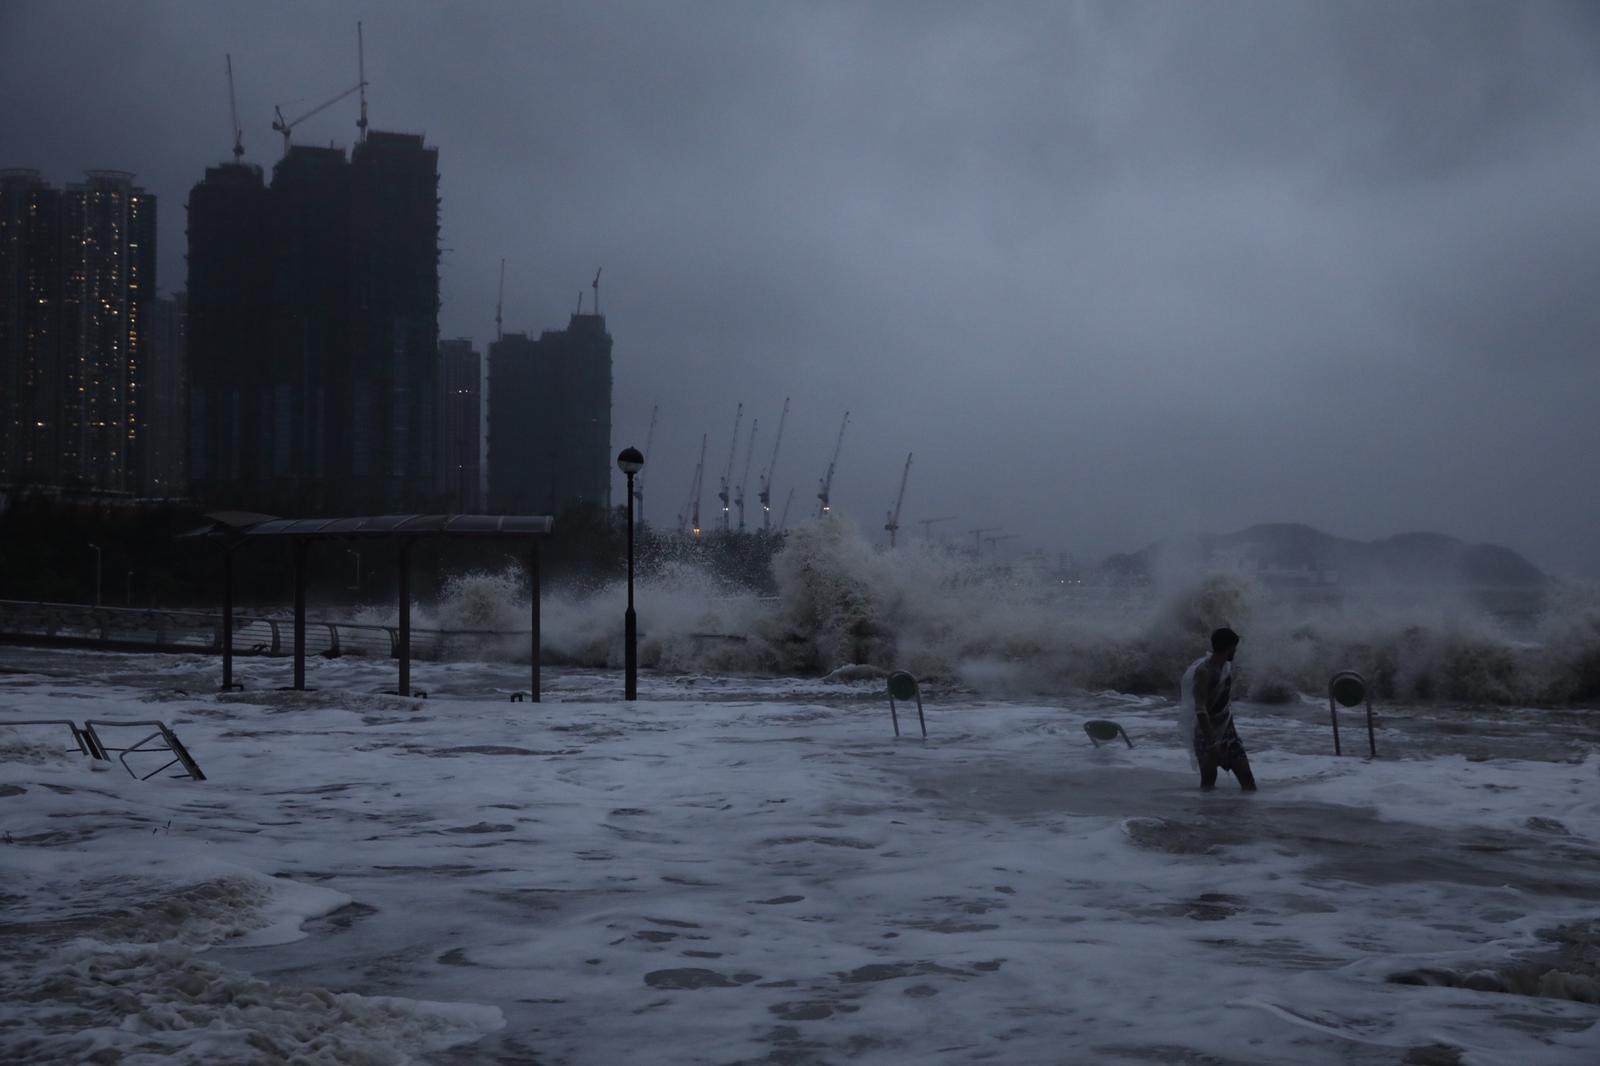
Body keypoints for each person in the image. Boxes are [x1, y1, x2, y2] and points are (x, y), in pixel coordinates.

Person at [1177, 627, 1256, 791]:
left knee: (1248, 780)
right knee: (1208, 784)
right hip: (1207, 735)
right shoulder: (1204, 672)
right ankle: (1208, 810)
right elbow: (1200, 709)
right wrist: (1212, 743)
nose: (1235, 651)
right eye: (1234, 648)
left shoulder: (1225, 667)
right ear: (1229, 647)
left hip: (1228, 733)